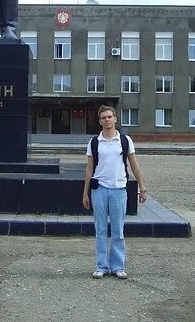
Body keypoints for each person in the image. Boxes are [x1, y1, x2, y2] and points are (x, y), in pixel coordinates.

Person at [82, 105, 147, 279]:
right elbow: (89, 169)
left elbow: (134, 165)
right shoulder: (94, 142)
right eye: (103, 117)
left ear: (115, 119)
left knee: (118, 230)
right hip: (99, 190)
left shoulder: (125, 140)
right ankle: (101, 266)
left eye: (109, 116)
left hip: (119, 190)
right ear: (100, 121)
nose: (107, 120)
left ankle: (118, 266)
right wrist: (85, 193)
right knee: (100, 230)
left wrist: (142, 188)